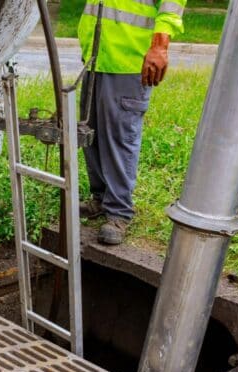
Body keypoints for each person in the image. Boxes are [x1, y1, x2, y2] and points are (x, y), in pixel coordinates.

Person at [78, 0, 186, 245]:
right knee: (90, 133)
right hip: (97, 55)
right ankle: (100, 198)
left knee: (119, 137)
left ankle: (118, 212)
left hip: (129, 57)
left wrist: (160, 45)